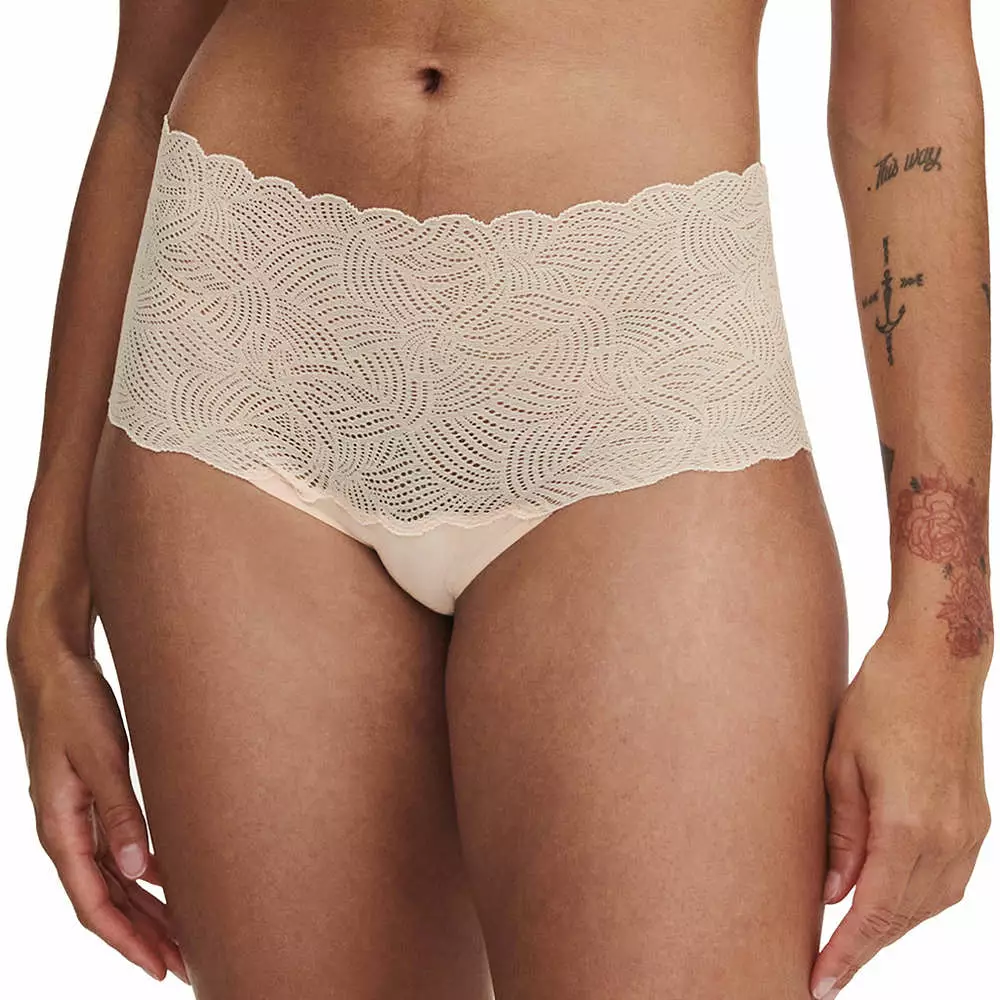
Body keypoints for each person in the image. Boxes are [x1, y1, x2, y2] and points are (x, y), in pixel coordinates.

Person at [5, 1, 992, 998]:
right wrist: (46, 618)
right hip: (240, 342)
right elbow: (147, 86)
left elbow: (901, 93)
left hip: (640, 361)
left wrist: (945, 643)